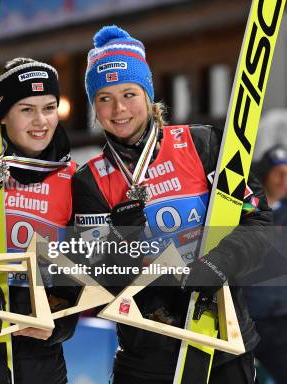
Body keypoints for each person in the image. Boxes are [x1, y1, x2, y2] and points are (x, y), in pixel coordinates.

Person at [71, 25, 272, 383]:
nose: (119, 109)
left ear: (148, 95)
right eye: (104, 97)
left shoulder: (203, 144)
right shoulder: (90, 180)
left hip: (224, 342)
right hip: (148, 357)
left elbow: (259, 223)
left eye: (129, 94)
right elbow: (96, 281)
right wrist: (123, 241)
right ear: (94, 107)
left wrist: (219, 264)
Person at [0, 58, 80, 384]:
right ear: (3, 115)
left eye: (49, 108)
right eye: (26, 110)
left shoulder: (74, 179)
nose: (41, 121)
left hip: (41, 354)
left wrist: (59, 324)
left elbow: (84, 269)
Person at [244, 145, 287, 383]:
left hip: (281, 321)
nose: (284, 180)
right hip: (246, 318)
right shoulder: (248, 209)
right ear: (265, 174)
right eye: (278, 172)